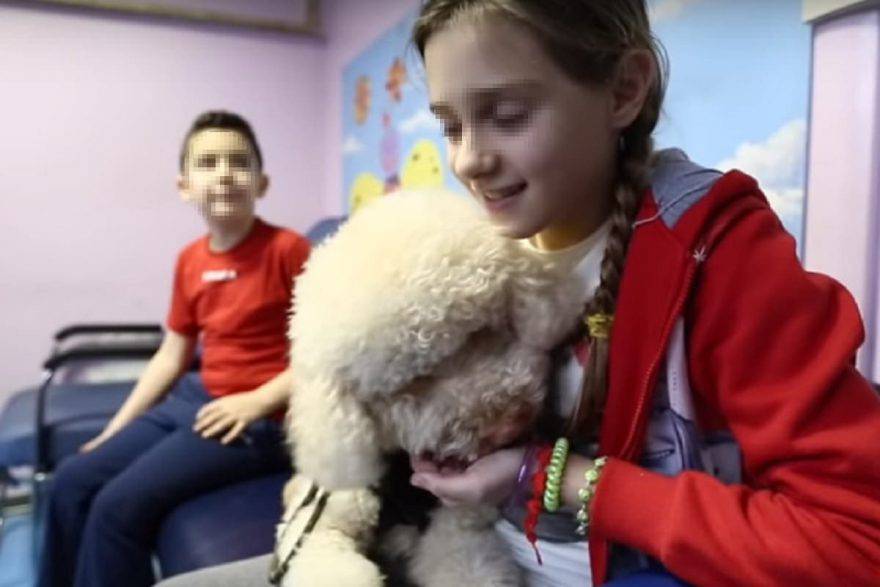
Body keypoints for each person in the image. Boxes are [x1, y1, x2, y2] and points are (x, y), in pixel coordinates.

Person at [158, 1, 880, 585]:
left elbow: (857, 540)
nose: (470, 159)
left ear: (623, 90)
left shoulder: (719, 254)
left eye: (506, 115)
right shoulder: (487, 243)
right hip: (448, 548)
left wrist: (556, 480)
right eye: (449, 125)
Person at [37, 110, 311, 587]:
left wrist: (259, 400)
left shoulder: (288, 250)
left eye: (238, 162)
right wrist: (113, 432)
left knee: (116, 508)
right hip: (193, 399)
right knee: (71, 480)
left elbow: (329, 349)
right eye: (208, 163)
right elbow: (172, 354)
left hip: (256, 421)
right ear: (185, 185)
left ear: (261, 183)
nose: (224, 173)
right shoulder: (190, 259)